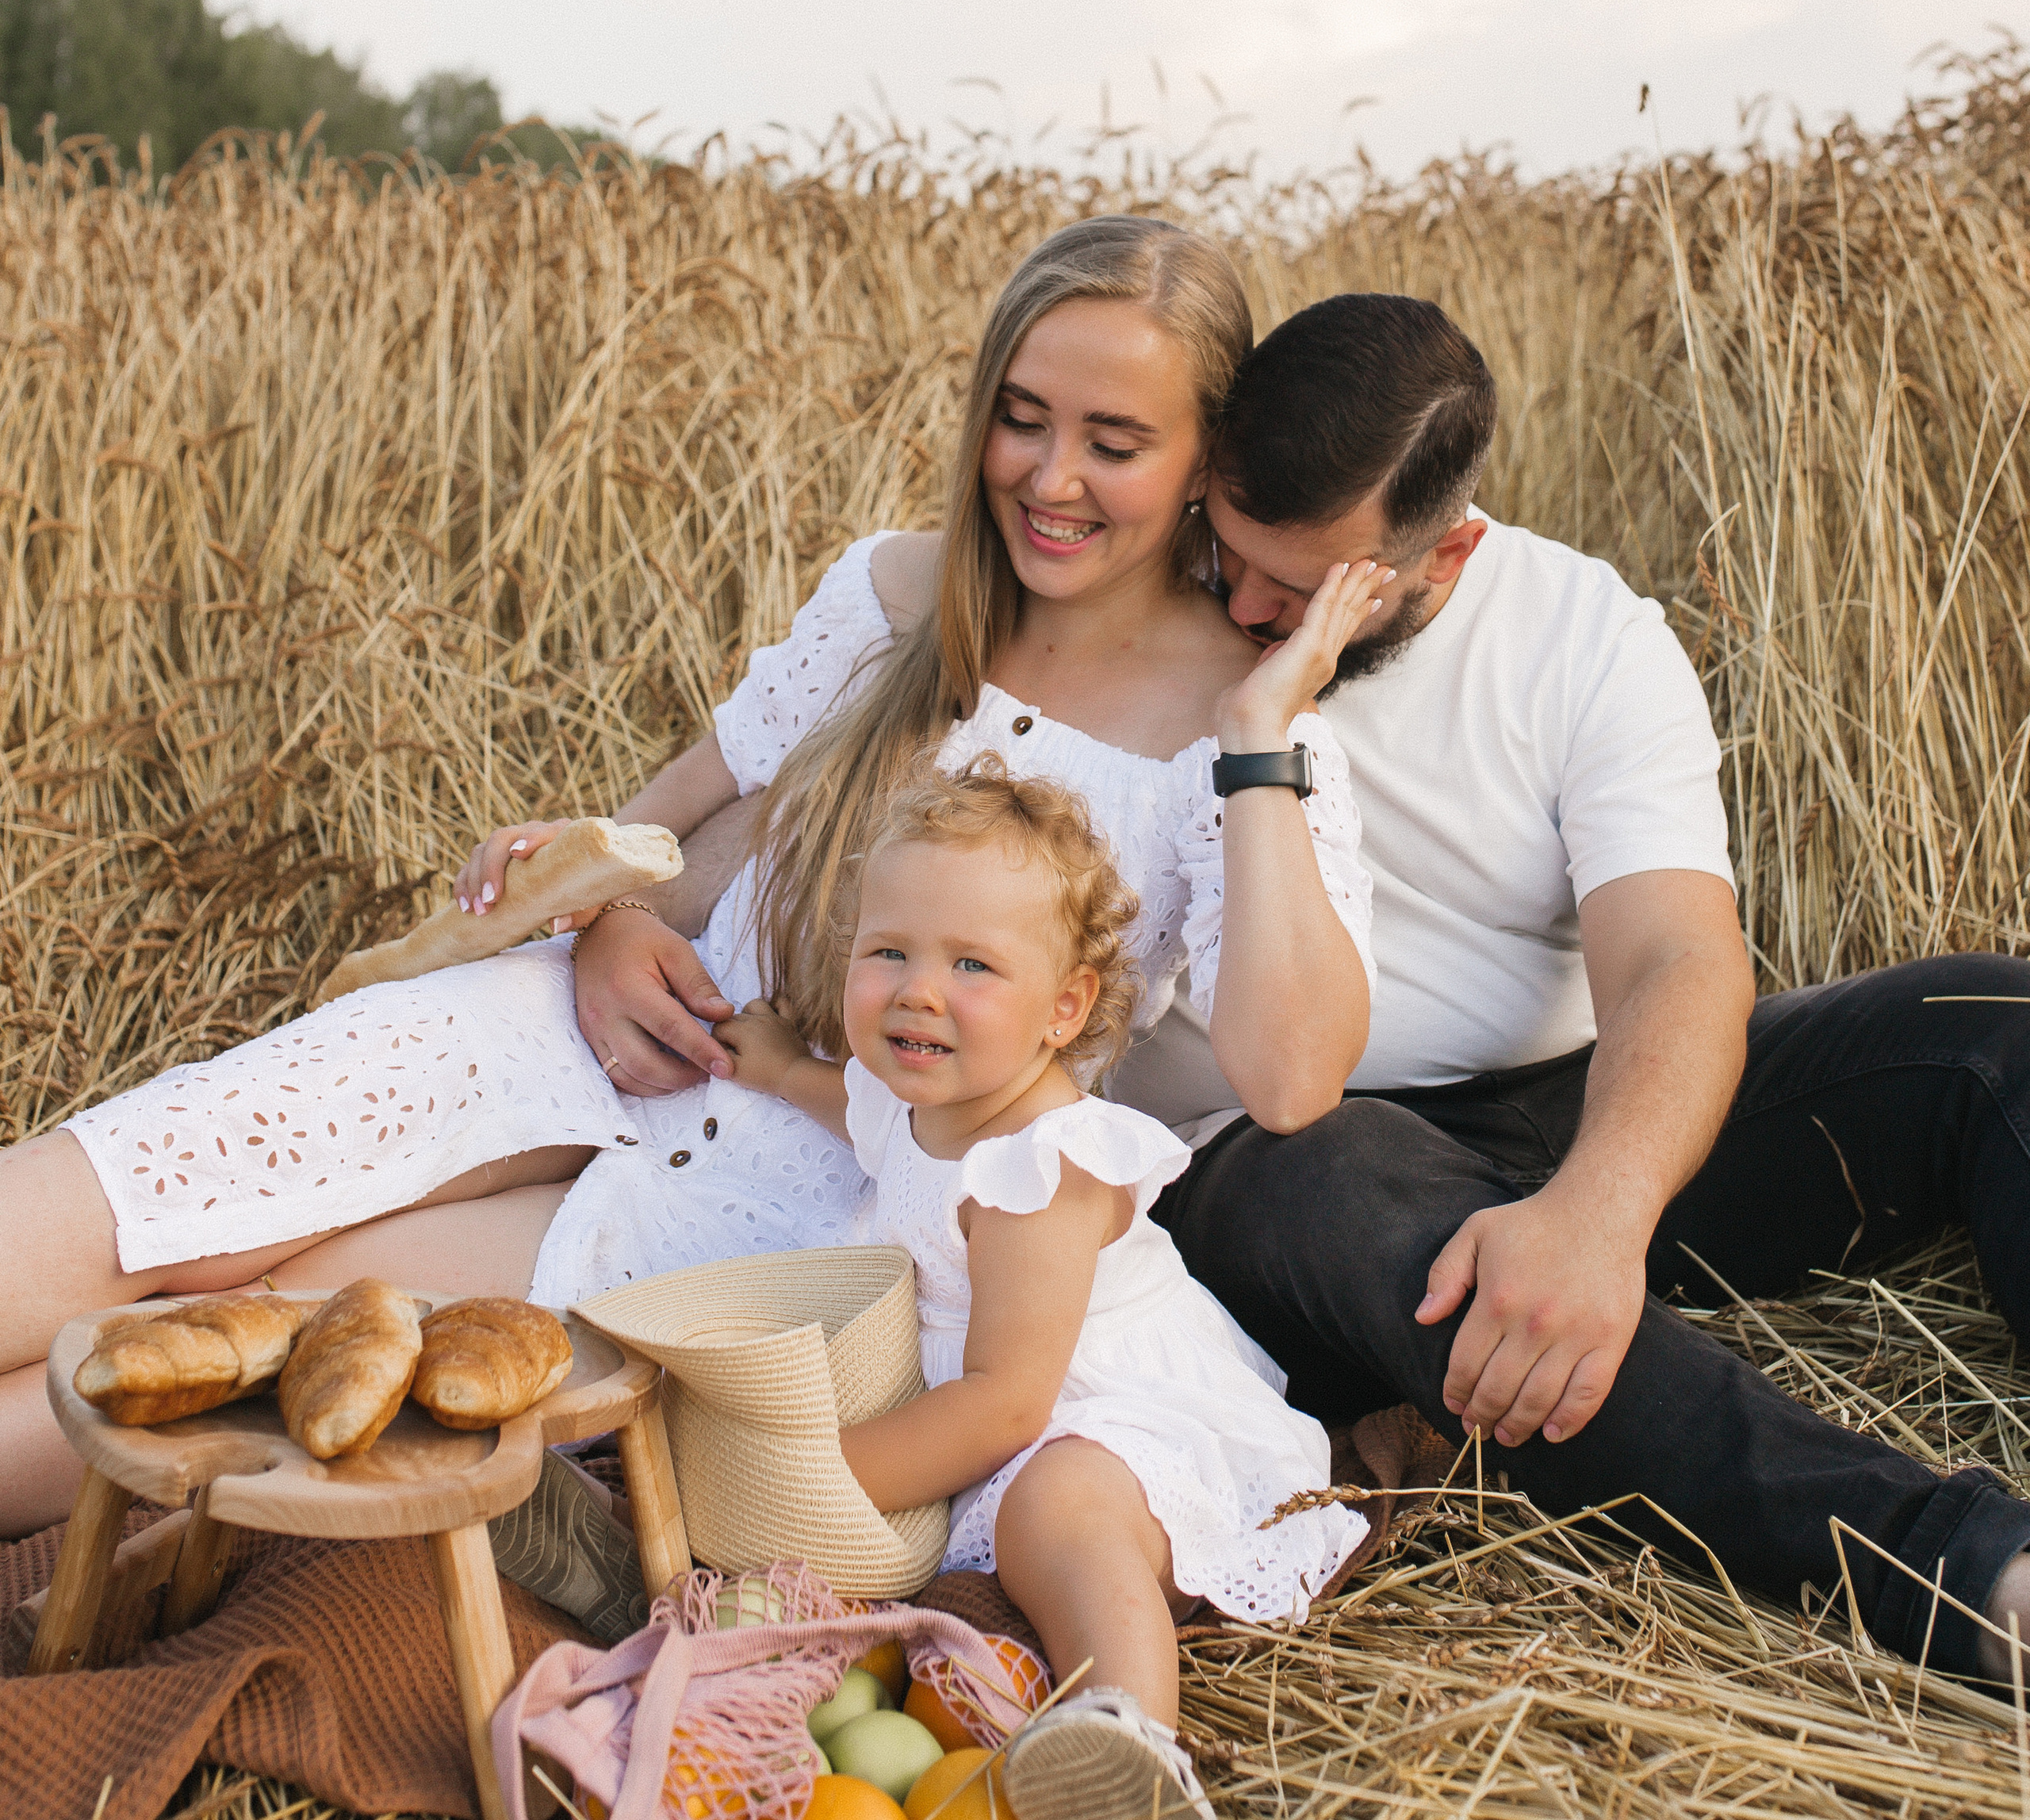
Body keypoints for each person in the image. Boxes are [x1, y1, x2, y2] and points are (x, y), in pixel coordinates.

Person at [0, 216, 1381, 1537]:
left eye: (1115, 442)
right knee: (171, 1192)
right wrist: (597, 914)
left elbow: (1291, 1075)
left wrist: (1260, 739)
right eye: (1022, 416)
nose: (1049, 475)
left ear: (1208, 461)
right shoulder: (900, 594)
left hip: (803, 1186)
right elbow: (653, 827)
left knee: (270, 1332)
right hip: (611, 1021)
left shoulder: (1244, 729)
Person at [1127, 288, 2030, 1684]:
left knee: (1989, 1027)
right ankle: (1976, 1576)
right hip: (1293, 1162)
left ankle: (1538, 1321)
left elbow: (1674, 956)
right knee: (1343, 1172)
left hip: (1571, 1109)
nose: (1245, 607)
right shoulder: (1127, 603)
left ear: (1447, 551)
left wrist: (1601, 1214)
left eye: (1303, 593)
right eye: (1227, 552)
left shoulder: (1585, 635)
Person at [719, 757, 1362, 1820]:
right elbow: (862, 1116)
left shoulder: (1040, 1169)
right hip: (992, 1413)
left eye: (973, 965)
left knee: (1058, 1510)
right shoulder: (916, 1088)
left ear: (1064, 1010)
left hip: (1109, 1416)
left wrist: (818, 1485)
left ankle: (1126, 1739)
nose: (919, 989)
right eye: (889, 952)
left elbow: (1012, 1402)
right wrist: (780, 1067)